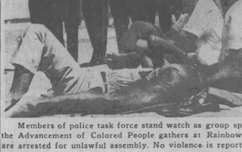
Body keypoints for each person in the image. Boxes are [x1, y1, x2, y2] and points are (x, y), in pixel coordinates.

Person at [5, 24, 204, 117]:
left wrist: (181, 54)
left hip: (85, 84)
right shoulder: (159, 67)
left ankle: (15, 100)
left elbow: (153, 40)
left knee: (38, 33)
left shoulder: (174, 76)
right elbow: (147, 41)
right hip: (85, 78)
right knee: (33, 33)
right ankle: (14, 98)